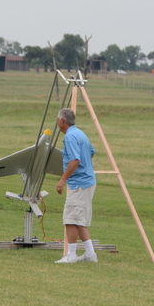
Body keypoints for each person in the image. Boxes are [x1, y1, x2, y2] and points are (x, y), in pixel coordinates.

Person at [54, 108, 97, 264]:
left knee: (70, 219)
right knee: (79, 220)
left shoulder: (70, 137)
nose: (57, 122)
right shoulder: (80, 133)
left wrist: (62, 180)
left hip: (79, 183)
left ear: (63, 121)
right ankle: (90, 254)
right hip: (86, 181)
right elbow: (92, 152)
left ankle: (71, 255)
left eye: (57, 120)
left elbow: (75, 160)